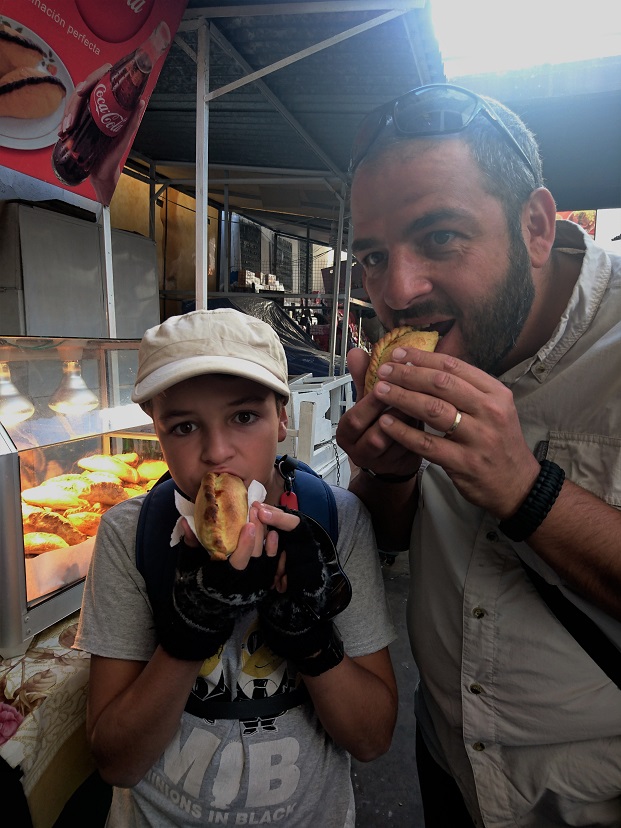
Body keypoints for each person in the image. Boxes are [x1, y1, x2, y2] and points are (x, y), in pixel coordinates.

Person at [335, 83, 621, 827]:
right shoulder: (419, 351)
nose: (396, 291)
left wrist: (526, 490)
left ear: (533, 224)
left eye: (440, 238)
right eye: (371, 255)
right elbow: (391, 540)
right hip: (448, 764)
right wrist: (385, 475)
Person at [74, 308, 397, 827]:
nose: (216, 452)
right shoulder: (128, 535)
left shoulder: (335, 522)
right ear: (157, 433)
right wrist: (188, 633)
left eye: (244, 417)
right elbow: (117, 762)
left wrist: (311, 637)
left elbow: (372, 738)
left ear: (283, 418)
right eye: (183, 426)